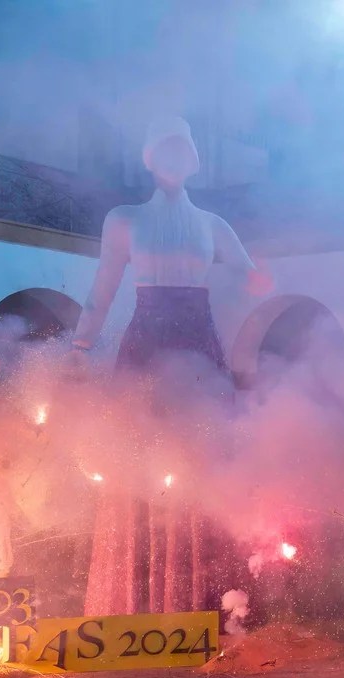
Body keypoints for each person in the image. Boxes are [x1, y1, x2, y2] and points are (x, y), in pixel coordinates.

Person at [73, 115, 271, 616]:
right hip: (146, 342)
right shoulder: (124, 219)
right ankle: (136, 598)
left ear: (193, 160)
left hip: (198, 341)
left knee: (201, 447)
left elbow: (251, 274)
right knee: (138, 448)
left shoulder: (212, 224)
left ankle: (206, 599)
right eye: (164, 150)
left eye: (182, 150)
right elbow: (104, 285)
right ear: (149, 158)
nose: (173, 160)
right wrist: (80, 346)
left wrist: (261, 283)